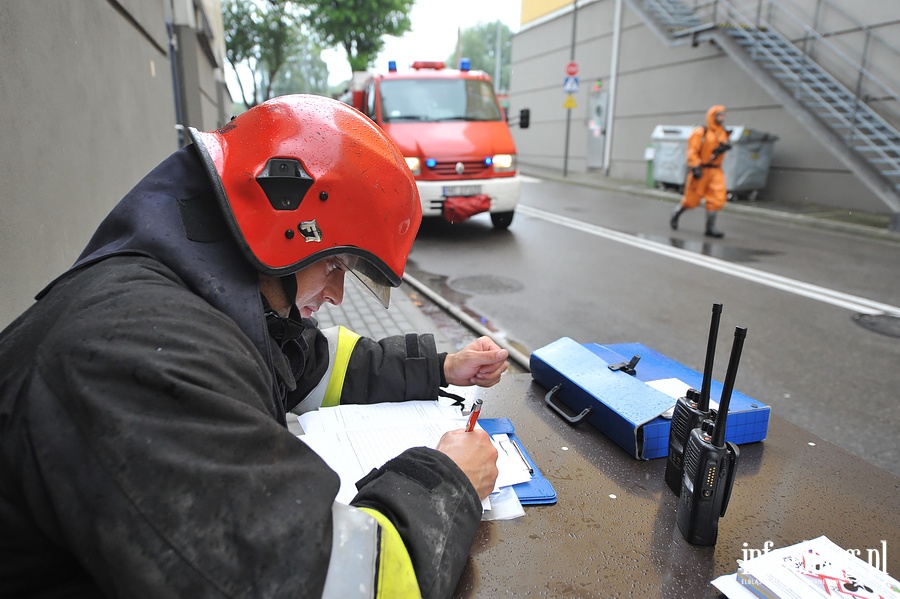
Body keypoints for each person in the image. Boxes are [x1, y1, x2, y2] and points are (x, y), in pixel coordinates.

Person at [0, 95, 508, 598]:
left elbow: (312, 364)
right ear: (285, 225)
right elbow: (326, 581)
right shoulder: (138, 359)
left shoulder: (202, 299)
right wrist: (448, 483)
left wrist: (442, 365)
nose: (335, 295)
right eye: (335, 266)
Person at [669, 105, 732, 238]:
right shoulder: (701, 132)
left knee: (717, 198)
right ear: (712, 116)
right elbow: (692, 150)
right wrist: (695, 166)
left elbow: (722, 144)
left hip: (715, 170)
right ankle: (677, 213)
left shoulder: (722, 132)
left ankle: (710, 228)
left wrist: (723, 147)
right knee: (692, 200)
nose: (722, 118)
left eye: (723, 115)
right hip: (701, 169)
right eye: (719, 115)